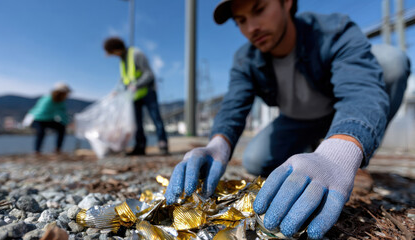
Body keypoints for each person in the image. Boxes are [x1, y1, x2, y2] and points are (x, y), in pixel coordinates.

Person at [165, 0, 411, 239]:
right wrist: (217, 144)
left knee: (391, 62)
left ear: (287, 2)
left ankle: (349, 158)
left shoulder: (332, 30)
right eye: (241, 20)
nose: (252, 28)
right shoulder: (246, 59)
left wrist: (339, 153)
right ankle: (314, 156)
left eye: (259, 9)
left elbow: (362, 89)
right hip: (296, 122)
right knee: (255, 160)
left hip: (341, 114)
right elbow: (233, 107)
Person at [103, 37, 169, 156]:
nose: (114, 55)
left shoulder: (136, 54)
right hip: (133, 96)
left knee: (156, 118)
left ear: (117, 49)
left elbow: (149, 74)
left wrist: (137, 85)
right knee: (137, 122)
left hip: (148, 92)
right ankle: (140, 146)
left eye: (113, 52)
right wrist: (117, 90)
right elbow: (124, 79)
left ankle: (162, 143)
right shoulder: (122, 61)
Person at [28, 83, 71, 155]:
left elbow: (62, 113)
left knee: (61, 128)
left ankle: (57, 149)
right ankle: (37, 151)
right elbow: (40, 112)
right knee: (41, 132)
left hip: (48, 119)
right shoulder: (48, 99)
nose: (67, 96)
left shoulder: (60, 102)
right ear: (61, 93)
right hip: (36, 118)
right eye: (66, 93)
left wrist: (66, 122)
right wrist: (65, 121)